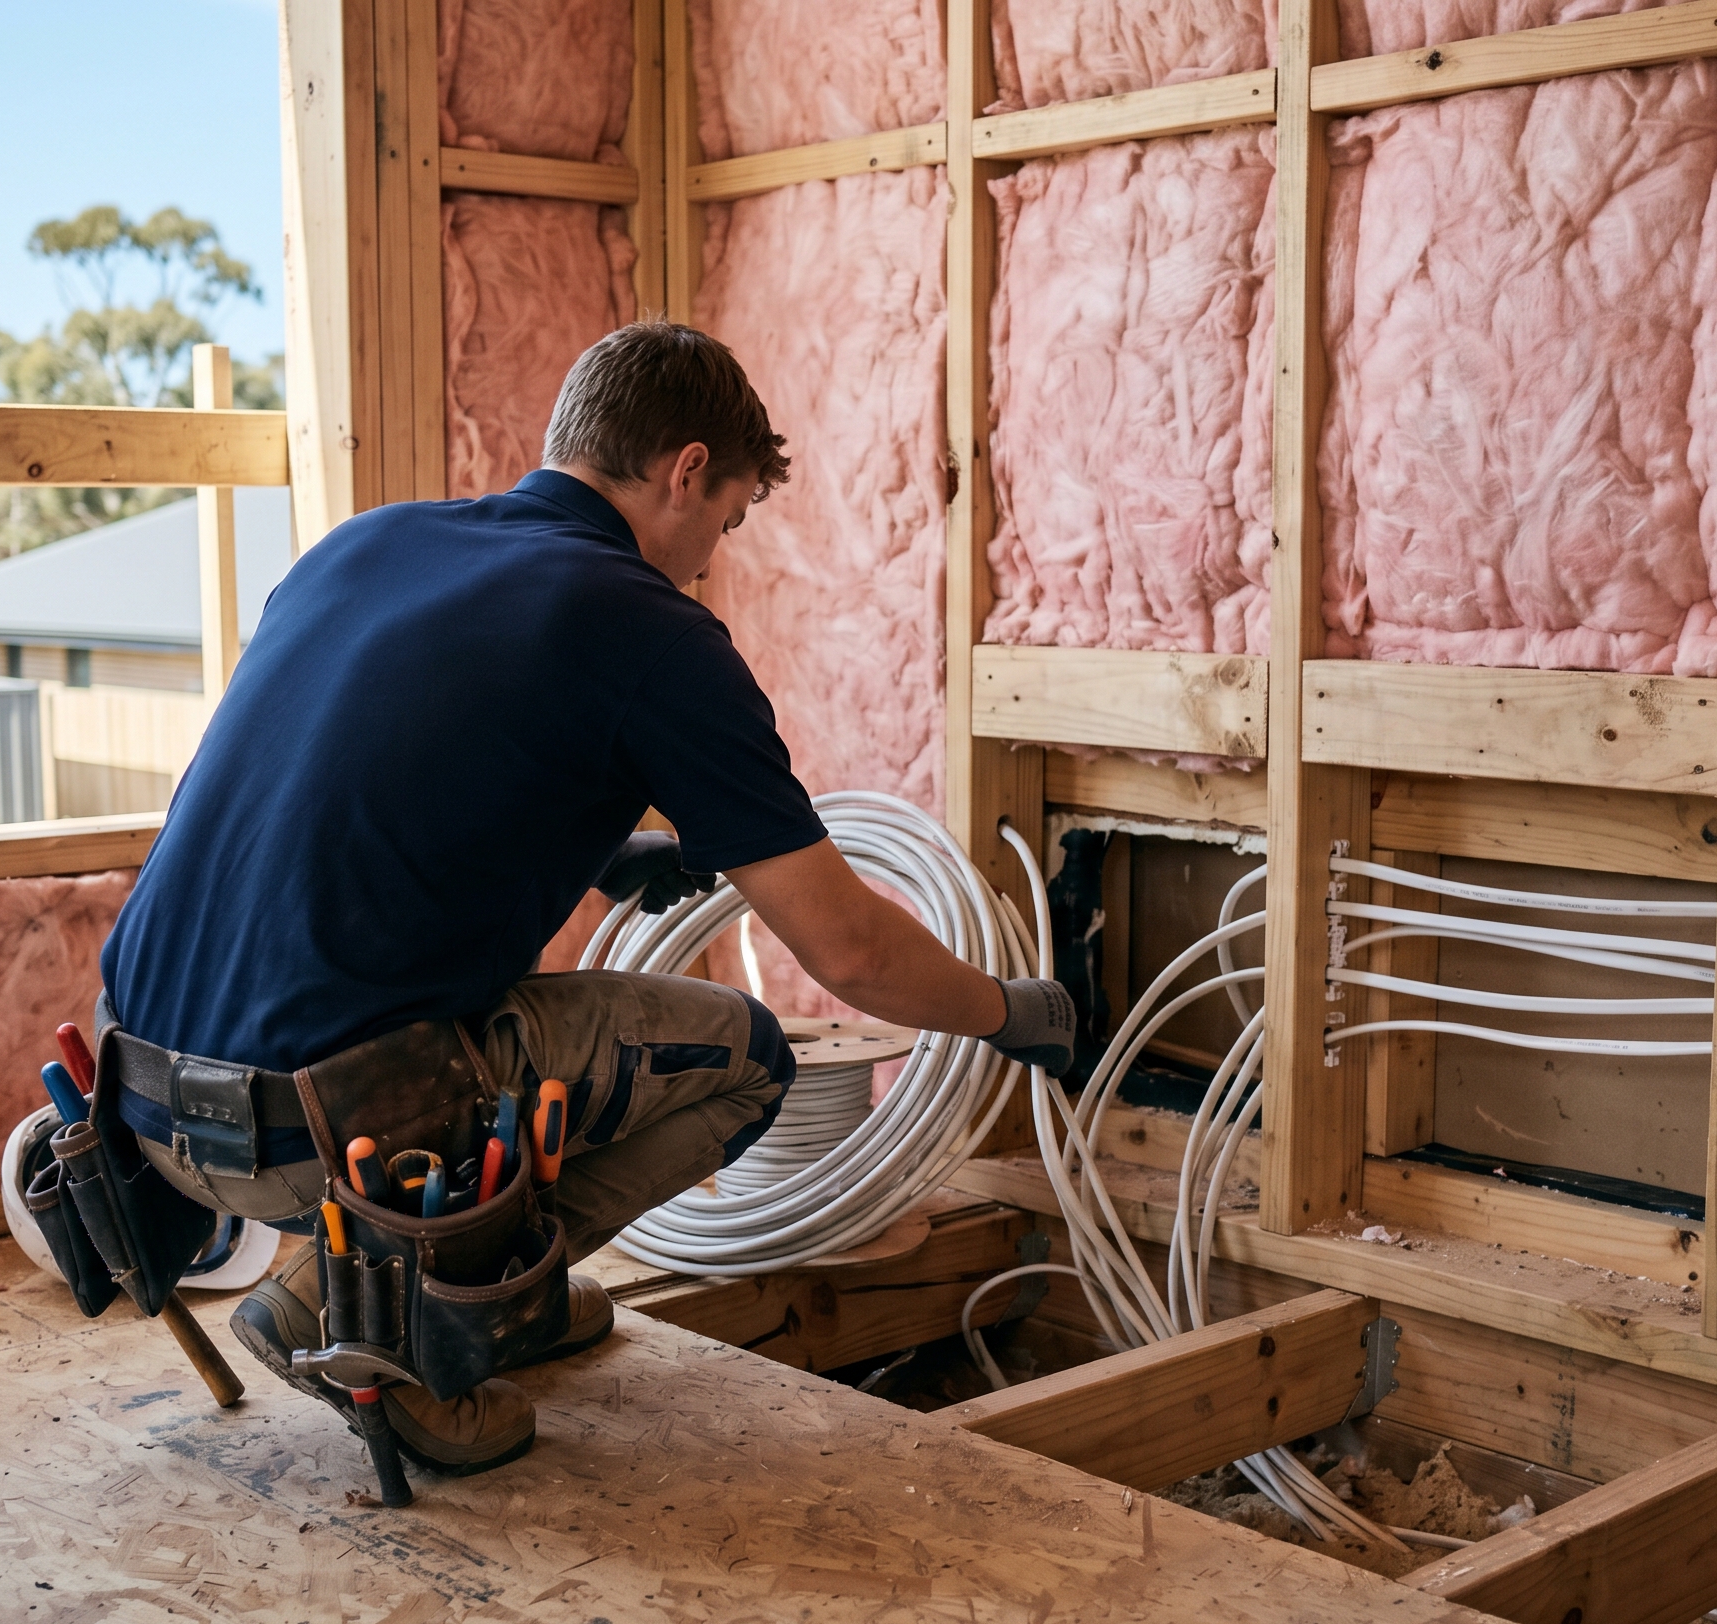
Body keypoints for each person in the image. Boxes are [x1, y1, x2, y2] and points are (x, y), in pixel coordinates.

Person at [96, 320, 1075, 1477]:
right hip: (315, 1131)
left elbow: (343, 793)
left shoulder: (366, 546)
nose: (713, 554)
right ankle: (411, 1306)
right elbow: (848, 950)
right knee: (748, 1060)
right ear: (687, 469)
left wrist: (604, 848)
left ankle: (503, 1288)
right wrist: (1012, 1014)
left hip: (139, 1114)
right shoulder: (651, 630)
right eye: (729, 517)